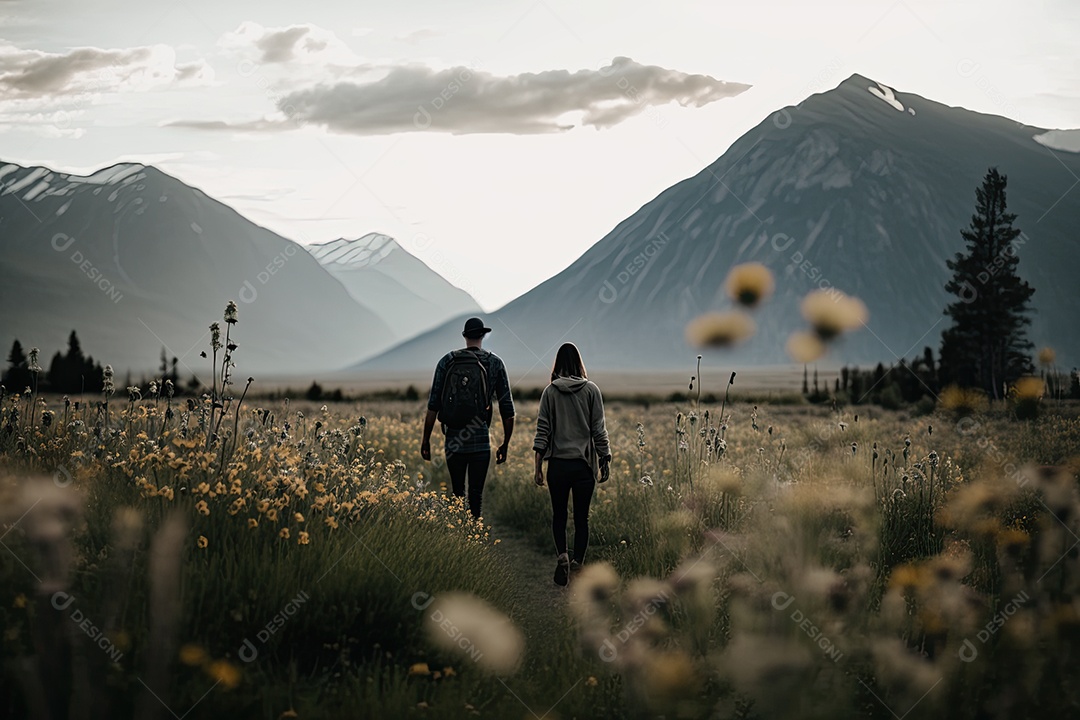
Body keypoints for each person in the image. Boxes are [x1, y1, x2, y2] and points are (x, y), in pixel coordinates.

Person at [532, 342, 610, 586]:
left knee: (559, 515)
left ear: (557, 363)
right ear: (579, 362)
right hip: (584, 466)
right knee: (581, 518)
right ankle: (578, 563)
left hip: (557, 466)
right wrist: (605, 457)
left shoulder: (550, 392)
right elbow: (599, 429)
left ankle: (563, 556)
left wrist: (537, 467)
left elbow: (542, 431)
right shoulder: (592, 390)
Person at [421, 317, 515, 520]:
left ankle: (460, 541)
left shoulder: (447, 361)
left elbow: (433, 405)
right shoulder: (495, 363)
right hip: (480, 437)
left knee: (457, 493)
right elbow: (507, 410)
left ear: (465, 336)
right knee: (476, 496)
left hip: (453, 438)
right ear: (483, 335)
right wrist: (505, 443)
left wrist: (425, 440)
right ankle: (474, 537)